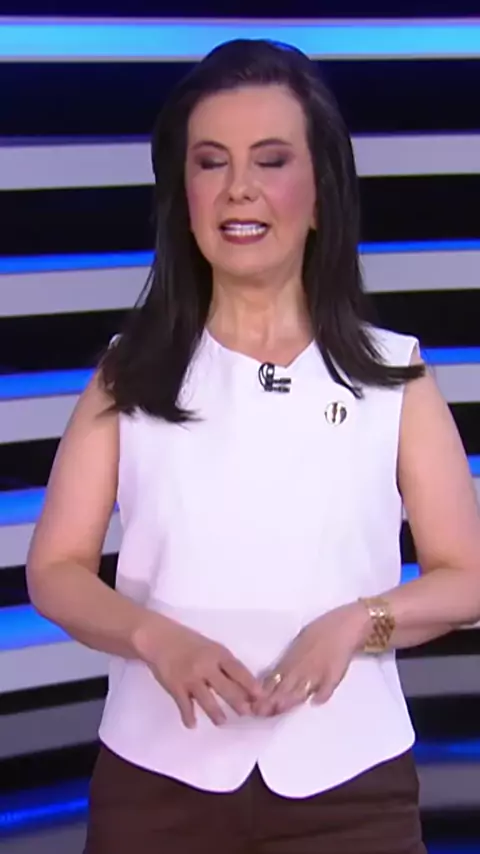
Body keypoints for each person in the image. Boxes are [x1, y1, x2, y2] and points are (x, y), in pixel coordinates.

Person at [26, 39, 480, 854]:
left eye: (271, 161)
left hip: (352, 792)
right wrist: (154, 638)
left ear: (320, 196)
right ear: (184, 197)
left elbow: (466, 577)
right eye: (212, 163)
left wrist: (363, 622)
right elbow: (54, 569)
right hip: (156, 788)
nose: (240, 188)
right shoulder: (130, 373)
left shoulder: (395, 375)